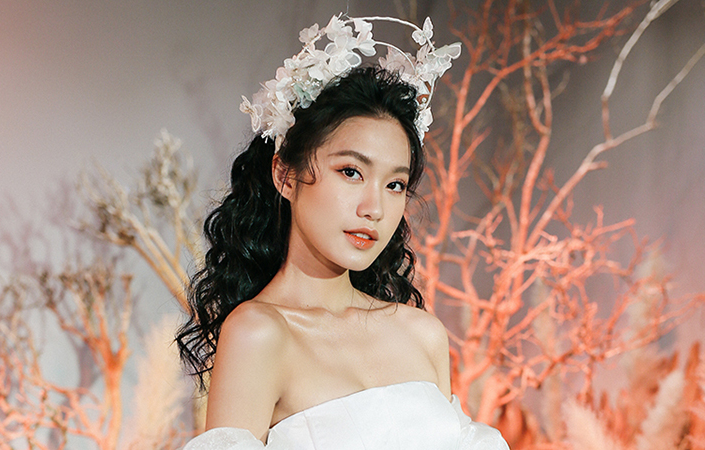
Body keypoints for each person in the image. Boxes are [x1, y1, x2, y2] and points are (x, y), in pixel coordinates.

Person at [177, 14, 509, 450]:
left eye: (395, 185)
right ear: (285, 175)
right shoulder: (259, 334)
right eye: (351, 172)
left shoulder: (421, 333)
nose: (374, 209)